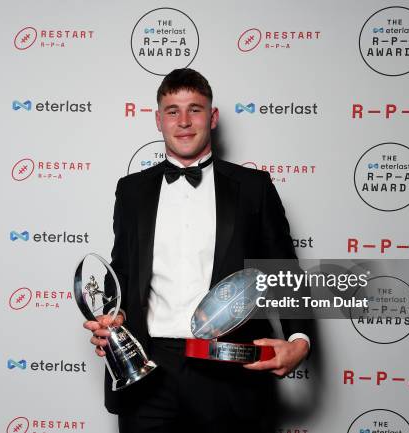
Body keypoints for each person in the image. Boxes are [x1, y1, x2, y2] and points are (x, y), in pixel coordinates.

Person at [84, 68, 310, 433]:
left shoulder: (254, 187)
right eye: (172, 111)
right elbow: (123, 270)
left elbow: (284, 271)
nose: (184, 121)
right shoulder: (131, 191)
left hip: (229, 371)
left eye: (195, 109)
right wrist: (113, 320)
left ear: (213, 117)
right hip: (149, 371)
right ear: (159, 120)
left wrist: (299, 340)